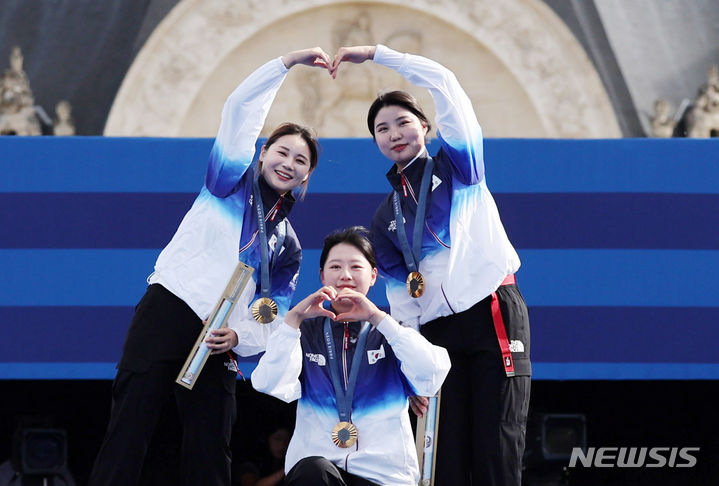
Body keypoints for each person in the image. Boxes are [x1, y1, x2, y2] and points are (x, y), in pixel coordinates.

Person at [87, 47, 333, 486]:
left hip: (219, 339)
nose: (288, 163)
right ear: (261, 155)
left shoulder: (288, 245)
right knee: (131, 423)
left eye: (300, 161)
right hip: (170, 308)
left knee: (210, 443)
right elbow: (239, 108)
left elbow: (270, 309)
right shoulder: (227, 183)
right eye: (282, 151)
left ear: (306, 177)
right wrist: (285, 64)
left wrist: (241, 336)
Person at [328, 46, 532, 485]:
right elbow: (401, 299)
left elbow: (448, 84)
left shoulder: (461, 166)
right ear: (376, 143)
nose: (394, 133)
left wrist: (379, 55)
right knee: (441, 456)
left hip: (490, 310)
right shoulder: (385, 217)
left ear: (425, 126)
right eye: (382, 129)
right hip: (437, 337)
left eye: (403, 122)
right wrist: (414, 364)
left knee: (497, 444)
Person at [251, 227, 450, 486]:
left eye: (356, 267)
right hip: (324, 475)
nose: (345, 275)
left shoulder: (393, 332)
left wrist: (380, 319)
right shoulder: (303, 334)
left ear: (373, 276)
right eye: (335, 267)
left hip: (384, 477)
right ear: (322, 275)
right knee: (311, 470)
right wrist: (292, 321)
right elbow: (268, 382)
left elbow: (433, 373)